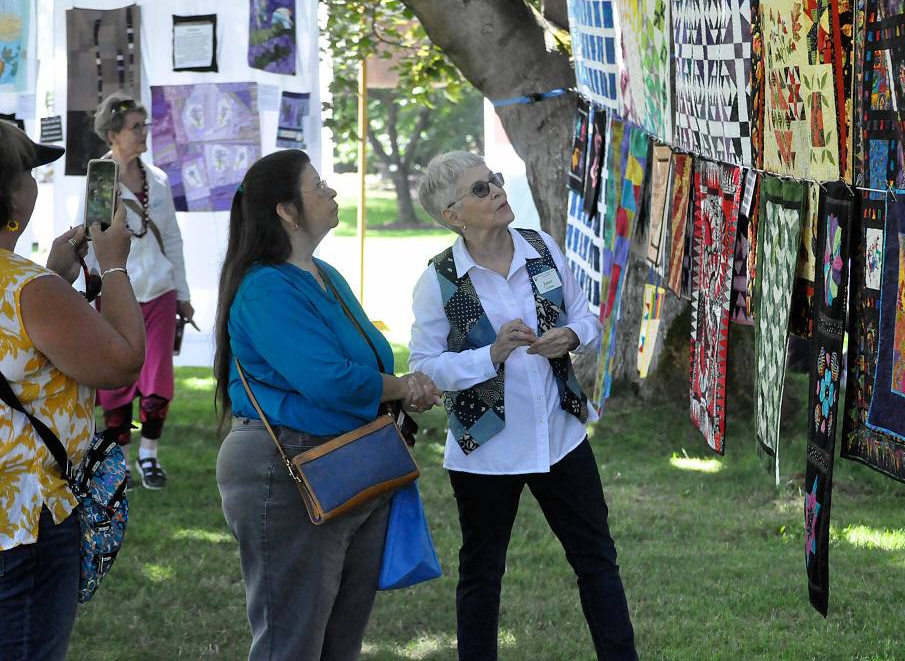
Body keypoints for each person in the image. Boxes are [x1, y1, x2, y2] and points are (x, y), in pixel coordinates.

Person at [410, 151, 639, 661]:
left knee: (598, 562)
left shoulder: (542, 247)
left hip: (561, 435)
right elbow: (424, 366)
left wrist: (572, 336)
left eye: (493, 181)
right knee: (482, 575)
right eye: (479, 189)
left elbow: (587, 317)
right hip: (486, 451)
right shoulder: (438, 280)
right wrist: (489, 355)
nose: (496, 191)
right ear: (452, 215)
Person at [213, 149, 441, 661]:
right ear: (287, 212)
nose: (332, 192)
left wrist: (402, 387)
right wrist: (401, 387)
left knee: (340, 641)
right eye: (318, 186)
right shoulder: (265, 288)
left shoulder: (324, 273)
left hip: (352, 463)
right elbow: (332, 381)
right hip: (288, 470)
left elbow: (365, 365)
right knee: (290, 641)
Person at [0, 121, 145, 659]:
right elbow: (122, 363)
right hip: (23, 521)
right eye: (30, 172)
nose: (36, 183)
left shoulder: (33, 285)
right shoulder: (30, 289)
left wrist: (54, 274)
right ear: (11, 192)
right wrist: (113, 264)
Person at [88, 92, 192, 490]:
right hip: (118, 293)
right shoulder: (100, 177)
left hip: (160, 291)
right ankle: (122, 461)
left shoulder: (159, 180)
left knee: (158, 376)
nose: (144, 132)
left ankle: (150, 455)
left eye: (144, 125)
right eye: (136, 127)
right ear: (114, 134)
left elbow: (173, 239)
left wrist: (181, 291)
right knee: (116, 378)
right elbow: (92, 238)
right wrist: (93, 291)